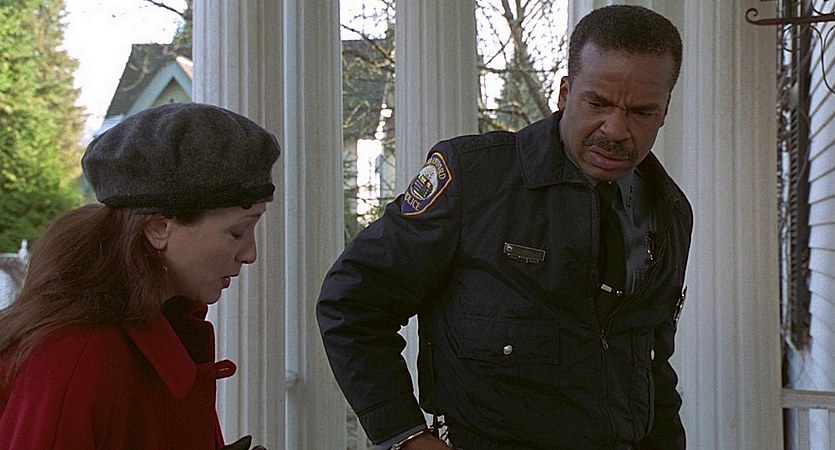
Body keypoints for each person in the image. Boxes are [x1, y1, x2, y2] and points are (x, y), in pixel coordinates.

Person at [317, 4, 692, 450]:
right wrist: (404, 435)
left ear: (664, 111)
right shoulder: (474, 180)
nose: (615, 129)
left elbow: (652, 368)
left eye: (641, 112)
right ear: (564, 93)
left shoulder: (669, 210)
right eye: (598, 103)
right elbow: (352, 305)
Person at [0, 102, 279, 449]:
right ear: (159, 228)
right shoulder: (78, 361)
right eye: (237, 232)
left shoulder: (165, 331)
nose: (250, 253)